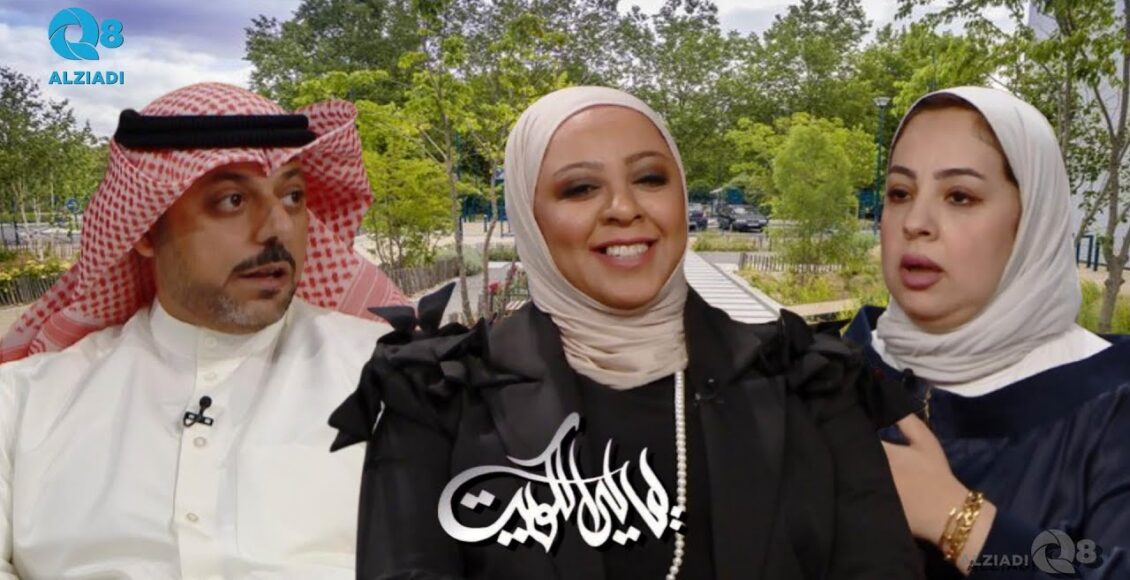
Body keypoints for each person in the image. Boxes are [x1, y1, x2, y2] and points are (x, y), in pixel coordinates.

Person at [330, 86, 922, 579]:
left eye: (650, 178)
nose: (623, 207)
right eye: (580, 188)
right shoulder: (439, 396)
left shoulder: (806, 378)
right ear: (530, 217)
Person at [0, 83, 407, 579]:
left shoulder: (399, 378)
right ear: (145, 229)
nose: (278, 228)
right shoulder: (23, 404)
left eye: (292, 196)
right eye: (232, 200)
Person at [844, 86, 1130, 578]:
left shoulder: (1110, 403)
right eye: (900, 193)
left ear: (1031, 221)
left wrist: (955, 518)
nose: (916, 223)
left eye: (960, 196)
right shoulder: (837, 368)